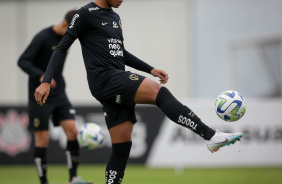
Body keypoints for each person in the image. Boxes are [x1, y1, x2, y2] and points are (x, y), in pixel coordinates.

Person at [34, 0, 243, 183]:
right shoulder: (84, 14)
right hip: (104, 79)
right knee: (158, 92)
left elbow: (120, 52)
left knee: (122, 145)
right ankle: (210, 135)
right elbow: (61, 48)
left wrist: (150, 68)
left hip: (114, 78)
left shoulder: (115, 17)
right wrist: (46, 80)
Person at [18, 9, 92, 184]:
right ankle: (44, 182)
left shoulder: (67, 37)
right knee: (42, 139)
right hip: (39, 95)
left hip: (59, 94)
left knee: (73, 131)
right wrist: (41, 75)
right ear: (66, 25)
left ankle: (73, 178)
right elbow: (23, 61)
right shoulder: (42, 37)